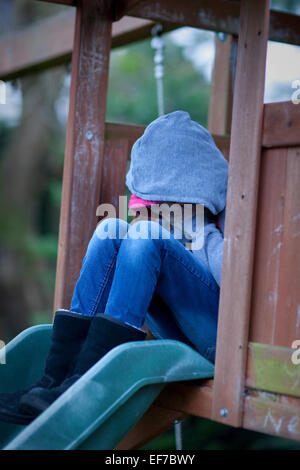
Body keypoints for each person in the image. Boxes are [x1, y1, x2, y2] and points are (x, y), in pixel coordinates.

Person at [0, 110, 228, 424]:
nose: (147, 218)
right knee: (111, 229)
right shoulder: (152, 230)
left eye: (157, 209)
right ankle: (57, 381)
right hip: (172, 333)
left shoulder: (215, 221)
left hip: (220, 337)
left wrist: (196, 229)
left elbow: (233, 281)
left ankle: (91, 387)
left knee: (145, 235)